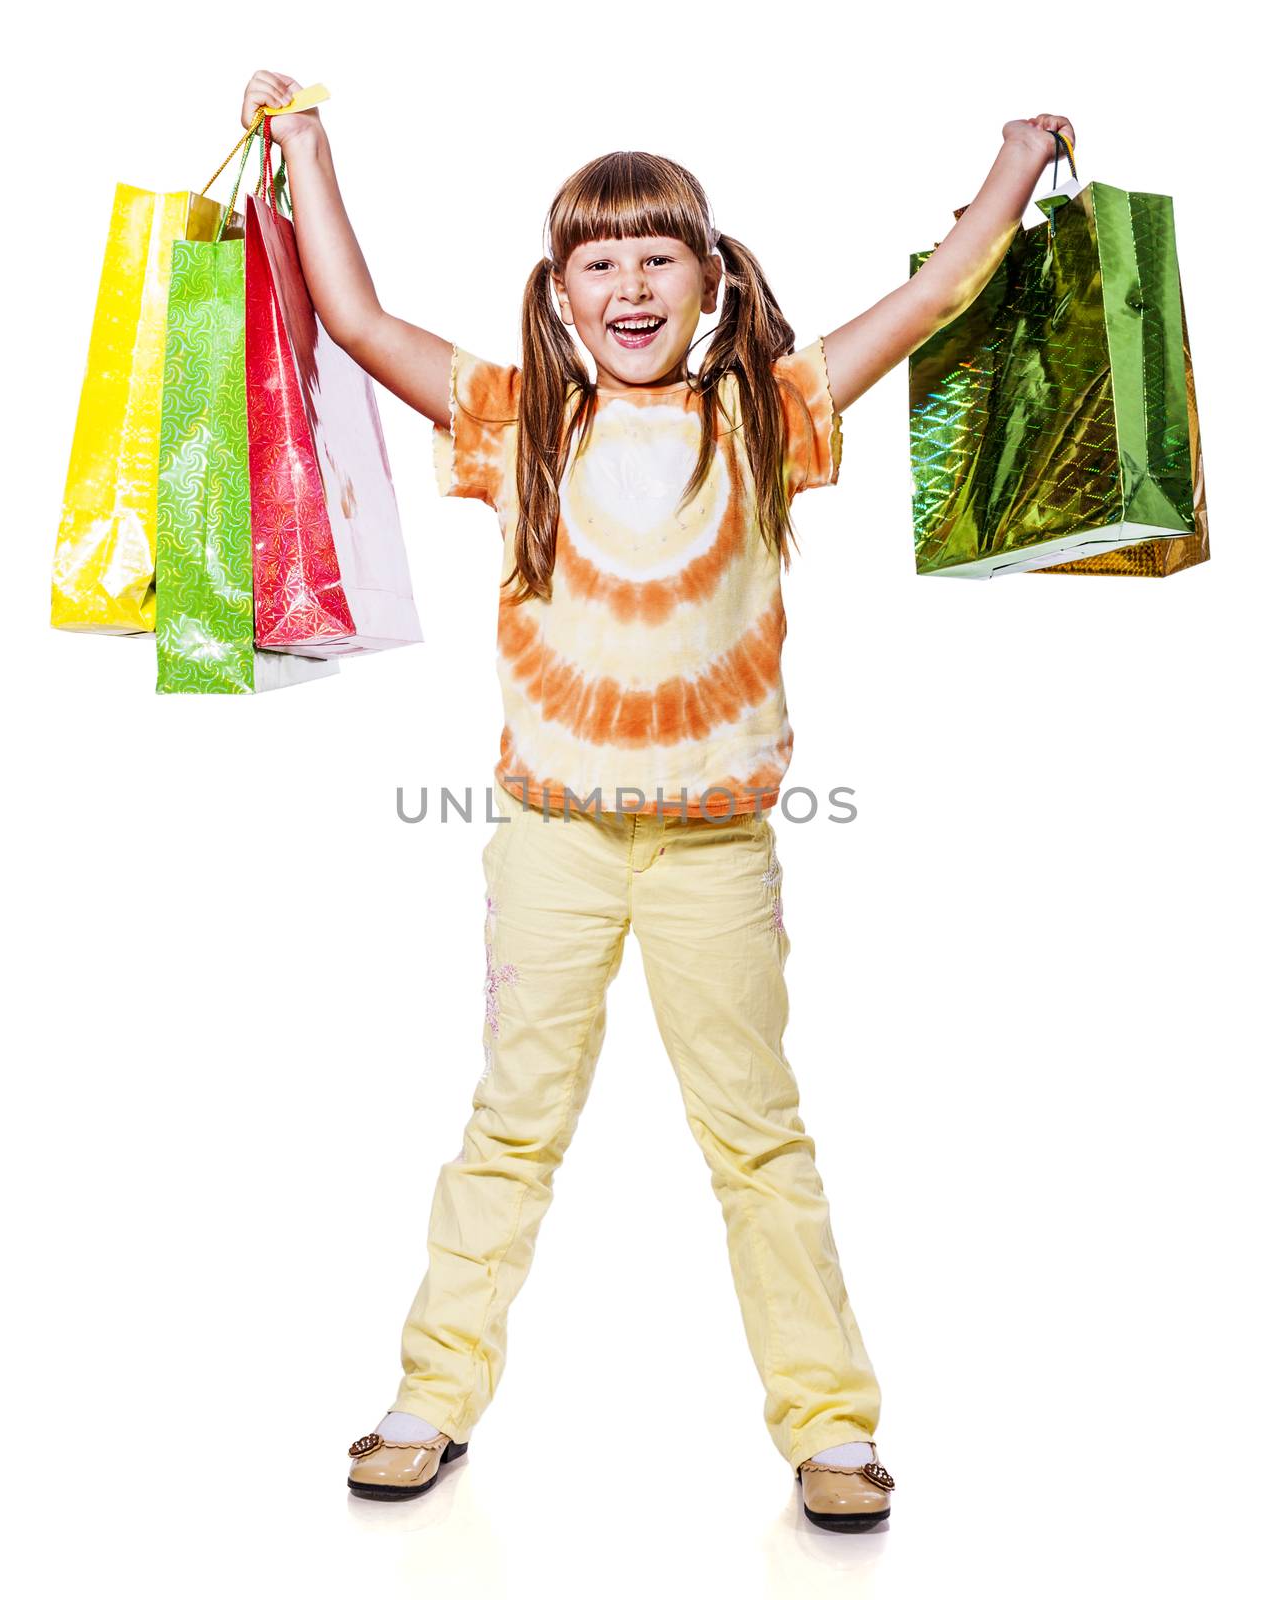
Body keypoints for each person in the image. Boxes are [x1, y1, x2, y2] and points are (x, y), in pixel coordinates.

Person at [239, 70, 1074, 1531]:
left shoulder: (774, 409)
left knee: (756, 1137)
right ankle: (431, 1397)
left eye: (655, 257)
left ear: (707, 277)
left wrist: (1011, 167)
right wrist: (305, 142)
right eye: (597, 262)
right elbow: (361, 324)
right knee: (512, 1125)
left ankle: (830, 1425)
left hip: (717, 856)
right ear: (561, 292)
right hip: (550, 843)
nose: (628, 284)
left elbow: (935, 300)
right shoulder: (511, 424)